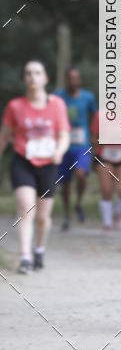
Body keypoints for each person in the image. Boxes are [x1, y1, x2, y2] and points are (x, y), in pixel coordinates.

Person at [0, 60, 70, 273]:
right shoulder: (15, 106)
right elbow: (4, 136)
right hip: (23, 162)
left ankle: (39, 248)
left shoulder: (57, 104)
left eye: (37, 73)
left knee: (42, 217)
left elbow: (64, 134)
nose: (32, 77)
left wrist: (59, 151)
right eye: (28, 73)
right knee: (25, 208)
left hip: (48, 164)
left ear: (45, 78)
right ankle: (25, 257)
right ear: (24, 78)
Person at [55, 68, 97, 229]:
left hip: (82, 144)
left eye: (76, 78)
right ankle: (67, 215)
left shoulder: (88, 97)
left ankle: (79, 202)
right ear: (66, 80)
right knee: (65, 183)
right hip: (64, 145)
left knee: (80, 174)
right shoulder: (58, 97)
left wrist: (95, 135)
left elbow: (96, 116)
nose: (73, 81)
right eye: (70, 78)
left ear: (79, 80)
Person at [90, 110, 121, 231]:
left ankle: (117, 211)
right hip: (104, 156)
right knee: (106, 190)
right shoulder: (100, 115)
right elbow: (93, 139)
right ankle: (107, 223)